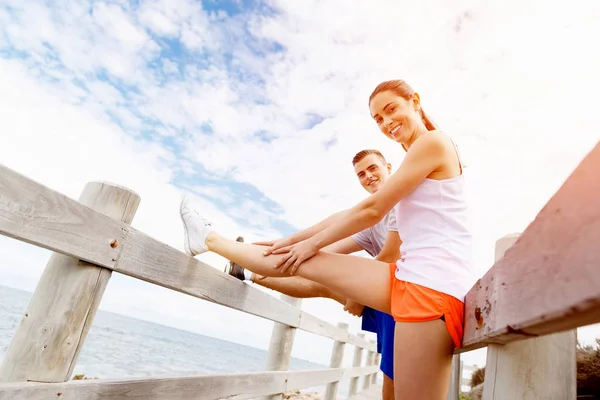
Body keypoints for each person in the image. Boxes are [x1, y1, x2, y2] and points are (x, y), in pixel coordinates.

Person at [180, 79, 475, 399]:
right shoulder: (415, 155)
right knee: (302, 261)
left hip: (433, 290)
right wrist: (294, 240)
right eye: (378, 119)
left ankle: (212, 241)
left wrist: (310, 244)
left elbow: (372, 209)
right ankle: (208, 238)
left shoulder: (434, 142)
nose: (387, 122)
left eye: (391, 110)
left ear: (415, 102)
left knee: (308, 261)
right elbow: (344, 217)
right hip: (408, 279)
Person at [224, 149, 400, 400]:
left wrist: (356, 295)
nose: (368, 176)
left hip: (403, 297)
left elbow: (393, 255)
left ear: (389, 167)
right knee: (319, 279)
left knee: (394, 380)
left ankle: (245, 265)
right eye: (361, 174)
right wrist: (283, 254)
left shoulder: (399, 201)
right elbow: (324, 251)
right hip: (385, 298)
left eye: (373, 168)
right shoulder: (370, 224)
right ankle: (246, 271)